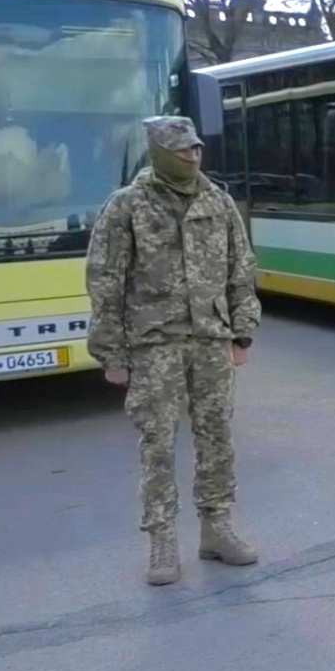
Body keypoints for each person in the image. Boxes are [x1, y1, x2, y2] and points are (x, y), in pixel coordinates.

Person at [85, 116, 262, 585]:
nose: (192, 156)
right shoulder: (127, 206)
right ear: (158, 152)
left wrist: (241, 333)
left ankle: (216, 527)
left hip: (210, 339)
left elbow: (241, 269)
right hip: (153, 344)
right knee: (158, 444)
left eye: (196, 148)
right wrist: (112, 355)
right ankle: (162, 539)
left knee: (216, 436)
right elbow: (105, 281)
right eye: (181, 150)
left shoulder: (218, 202)